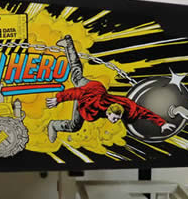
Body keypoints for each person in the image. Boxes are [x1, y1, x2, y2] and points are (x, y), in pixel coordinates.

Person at [46, 35, 176, 142]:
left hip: (96, 89)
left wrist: (162, 123)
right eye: (114, 118)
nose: (115, 121)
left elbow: (144, 112)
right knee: (74, 125)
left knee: (77, 76)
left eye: (117, 118)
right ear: (108, 113)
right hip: (87, 92)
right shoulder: (94, 102)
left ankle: (68, 43)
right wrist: (58, 99)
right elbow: (78, 92)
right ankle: (53, 125)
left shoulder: (127, 108)